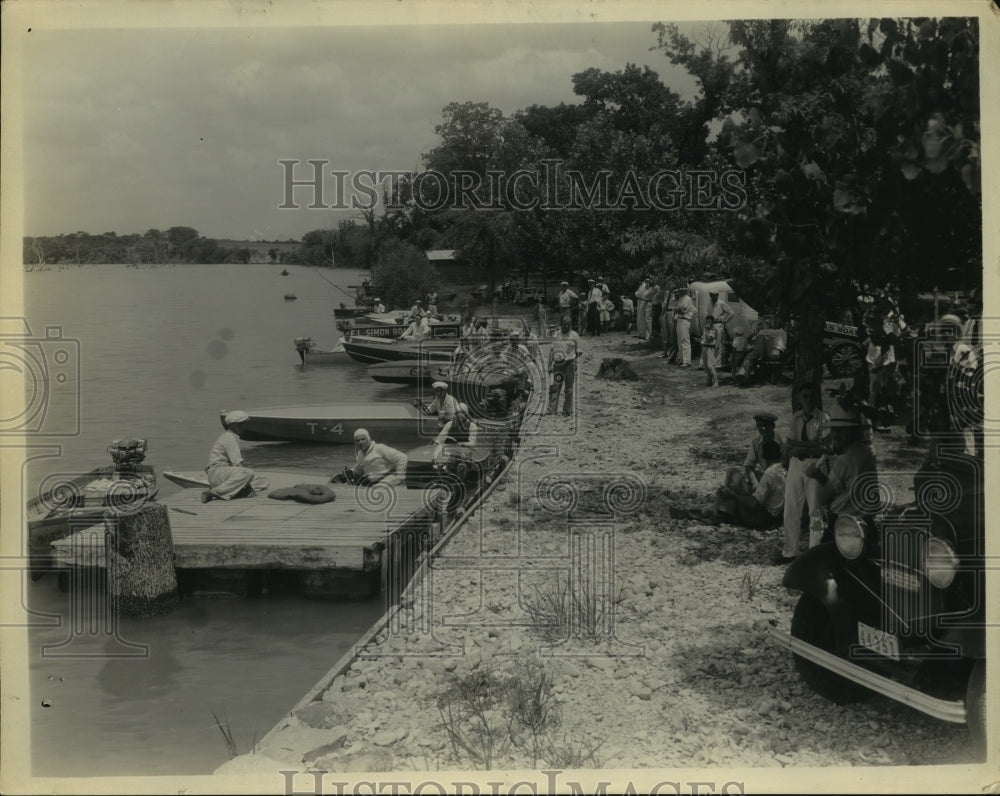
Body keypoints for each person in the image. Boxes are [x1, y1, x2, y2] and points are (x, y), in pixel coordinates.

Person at [803, 400, 877, 547]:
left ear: (855, 432)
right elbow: (844, 488)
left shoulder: (845, 460)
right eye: (834, 430)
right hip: (868, 522)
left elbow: (824, 497)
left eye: (842, 431)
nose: (836, 435)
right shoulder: (868, 452)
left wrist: (818, 476)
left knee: (822, 559)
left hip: (846, 524)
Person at [778, 384, 831, 563]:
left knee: (815, 511)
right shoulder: (796, 417)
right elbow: (788, 443)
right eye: (805, 396)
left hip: (814, 465)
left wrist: (802, 446)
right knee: (791, 507)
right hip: (796, 464)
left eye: (811, 396)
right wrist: (811, 444)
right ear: (800, 399)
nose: (808, 400)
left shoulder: (823, 418)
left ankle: (813, 554)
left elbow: (826, 447)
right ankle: (790, 550)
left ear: (815, 398)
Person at [714, 439, 785, 528]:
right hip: (777, 516)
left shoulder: (770, 474)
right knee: (744, 477)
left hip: (763, 519)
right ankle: (723, 511)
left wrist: (734, 495)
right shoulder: (784, 469)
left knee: (731, 475)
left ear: (764, 457)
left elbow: (754, 504)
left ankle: (721, 514)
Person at [202, 410, 256, 503]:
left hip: (223, 473)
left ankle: (232, 489)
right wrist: (247, 483)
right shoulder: (229, 438)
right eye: (242, 424)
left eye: (245, 424)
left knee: (262, 481)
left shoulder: (231, 437)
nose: (245, 427)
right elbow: (238, 463)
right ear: (232, 425)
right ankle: (214, 492)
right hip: (218, 472)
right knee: (248, 473)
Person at [343, 428, 408, 487]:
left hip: (389, 479)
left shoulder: (379, 448)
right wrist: (351, 471)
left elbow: (402, 458)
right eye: (358, 440)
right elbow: (358, 472)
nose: (360, 442)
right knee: (344, 487)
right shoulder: (360, 454)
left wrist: (401, 478)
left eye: (363, 439)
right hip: (374, 482)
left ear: (368, 439)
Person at [547, 316, 579, 416]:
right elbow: (552, 350)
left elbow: (578, 351)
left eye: (568, 324)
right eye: (564, 324)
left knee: (569, 388)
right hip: (558, 364)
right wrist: (549, 365)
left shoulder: (575, 335)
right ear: (561, 324)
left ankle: (567, 410)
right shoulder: (556, 334)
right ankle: (552, 410)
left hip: (569, 363)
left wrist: (575, 362)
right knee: (555, 387)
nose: (566, 326)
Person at [673, 288, 695, 368]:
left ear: (685, 291)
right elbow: (676, 310)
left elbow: (682, 311)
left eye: (682, 290)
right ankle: (681, 359)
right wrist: (677, 310)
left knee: (685, 340)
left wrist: (677, 310)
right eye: (680, 290)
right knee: (679, 340)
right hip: (679, 320)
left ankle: (687, 361)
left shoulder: (687, 299)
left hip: (685, 320)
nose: (680, 292)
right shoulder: (680, 299)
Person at [700, 315, 720, 387]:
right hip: (705, 347)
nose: (709, 323)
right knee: (705, 366)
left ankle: (716, 381)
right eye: (708, 321)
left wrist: (707, 331)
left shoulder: (713, 329)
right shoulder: (706, 328)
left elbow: (709, 338)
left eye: (711, 321)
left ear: (713, 322)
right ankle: (709, 380)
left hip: (710, 348)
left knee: (710, 365)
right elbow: (703, 337)